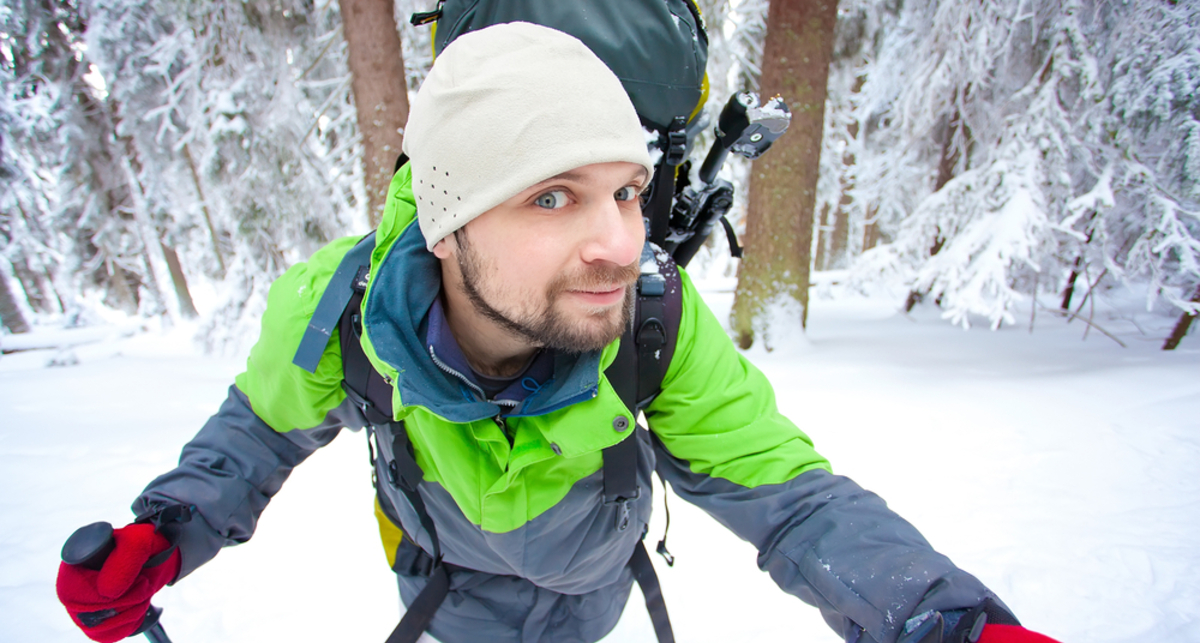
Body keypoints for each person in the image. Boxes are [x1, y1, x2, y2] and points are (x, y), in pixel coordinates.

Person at [56, 23, 1061, 643]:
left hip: (594, 603)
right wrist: (166, 527)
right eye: (551, 197)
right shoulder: (339, 310)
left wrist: (941, 618)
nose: (618, 244)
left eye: (626, 191)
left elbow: (792, 500)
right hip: (444, 600)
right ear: (446, 226)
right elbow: (257, 431)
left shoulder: (655, 315)